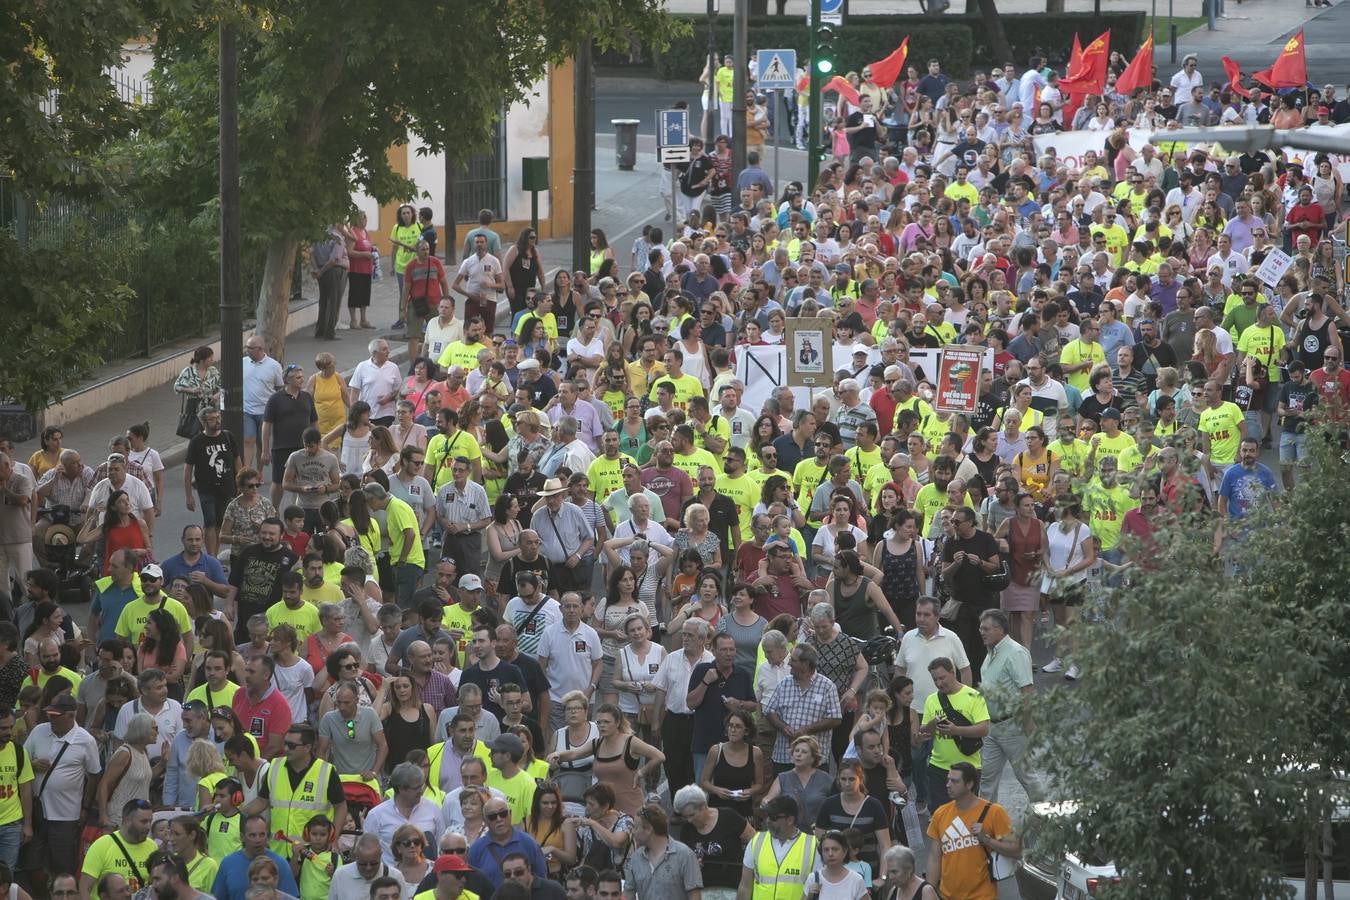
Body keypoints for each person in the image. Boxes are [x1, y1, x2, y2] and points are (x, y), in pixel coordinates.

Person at [925, 762, 1019, 900]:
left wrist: (986, 840)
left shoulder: (994, 812)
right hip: (947, 896)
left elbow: (1016, 850)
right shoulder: (940, 814)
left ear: (969, 785)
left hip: (982, 896)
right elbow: (934, 858)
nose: (948, 785)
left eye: (955, 781)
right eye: (948, 780)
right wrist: (929, 891)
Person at [917, 657, 989, 808]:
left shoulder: (973, 696)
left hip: (967, 768)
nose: (939, 683)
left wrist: (956, 730)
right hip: (938, 767)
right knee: (939, 815)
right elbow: (924, 731)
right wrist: (933, 723)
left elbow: (983, 729)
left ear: (953, 672)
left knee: (966, 816)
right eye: (935, 679)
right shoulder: (931, 700)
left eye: (942, 678)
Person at [735, 795, 819, 900]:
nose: (768, 820)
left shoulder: (812, 845)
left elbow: (816, 888)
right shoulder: (756, 841)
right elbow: (745, 886)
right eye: (767, 816)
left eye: (773, 817)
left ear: (790, 820)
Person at [465, 797, 547, 890]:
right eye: (492, 816)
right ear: (485, 820)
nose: (499, 819)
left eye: (503, 813)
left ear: (510, 814)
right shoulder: (476, 849)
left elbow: (541, 879)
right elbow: (470, 886)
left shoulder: (528, 843)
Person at [622, 804, 702, 900]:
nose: (633, 832)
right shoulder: (635, 858)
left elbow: (694, 896)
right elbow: (628, 895)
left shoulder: (684, 855)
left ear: (648, 829)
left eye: (635, 828)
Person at [79, 800, 156, 900]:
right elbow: (84, 888)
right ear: (127, 821)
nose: (148, 827)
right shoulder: (102, 845)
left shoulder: (152, 847)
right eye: (144, 821)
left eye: (150, 821)